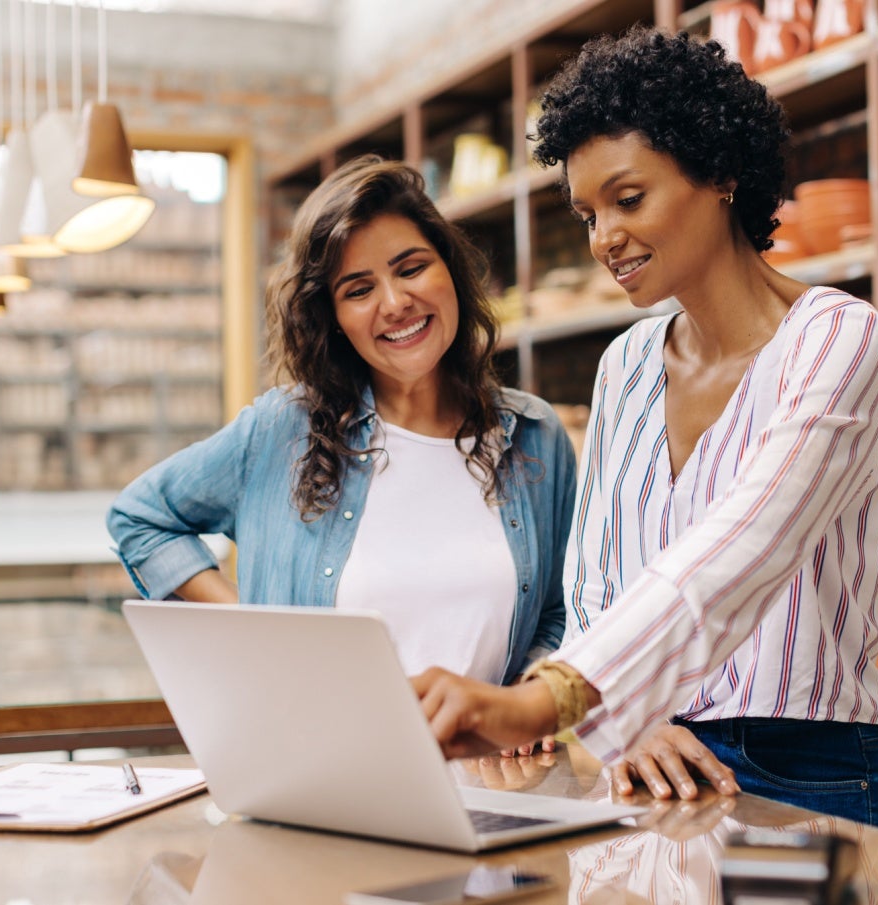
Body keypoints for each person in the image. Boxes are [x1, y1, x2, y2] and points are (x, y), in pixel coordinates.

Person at [412, 27, 878, 829]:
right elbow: (597, 582)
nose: (604, 236)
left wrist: (548, 700)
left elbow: (745, 550)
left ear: (719, 173)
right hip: (645, 756)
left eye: (628, 199)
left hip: (808, 769)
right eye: (586, 213)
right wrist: (627, 721)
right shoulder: (627, 363)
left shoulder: (836, 339)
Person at [108, 155, 576, 698]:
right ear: (331, 317)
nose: (397, 303)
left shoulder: (534, 434)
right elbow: (140, 519)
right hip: (324, 769)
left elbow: (562, 610)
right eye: (358, 290)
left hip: (485, 779)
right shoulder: (283, 430)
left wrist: (527, 695)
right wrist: (253, 622)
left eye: (411, 268)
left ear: (451, 270)